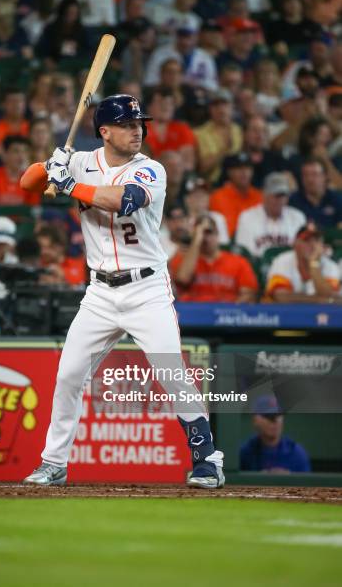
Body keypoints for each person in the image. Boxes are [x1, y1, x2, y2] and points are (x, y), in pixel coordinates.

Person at [23, 93, 225, 488]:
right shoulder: (80, 162)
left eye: (139, 124)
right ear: (105, 131)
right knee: (69, 376)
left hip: (146, 287)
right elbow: (27, 183)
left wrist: (70, 186)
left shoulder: (151, 169)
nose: (137, 131)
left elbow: (123, 201)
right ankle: (54, 462)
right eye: (128, 124)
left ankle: (208, 461)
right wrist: (50, 165)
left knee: (171, 372)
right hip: (99, 292)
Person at [169, 214, 258, 302]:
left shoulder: (238, 262)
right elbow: (183, 279)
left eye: (208, 232)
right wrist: (196, 240)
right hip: (193, 313)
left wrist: (228, 312)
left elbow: (248, 294)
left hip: (226, 313)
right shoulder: (182, 258)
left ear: (217, 234)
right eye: (200, 233)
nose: (204, 237)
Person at [266, 222, 341, 303]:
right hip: (286, 314)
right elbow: (281, 296)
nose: (312, 245)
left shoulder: (330, 266)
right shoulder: (282, 261)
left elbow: (330, 297)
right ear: (295, 243)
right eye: (306, 240)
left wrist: (314, 265)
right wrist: (317, 300)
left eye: (316, 240)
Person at [235, 173, 306, 258]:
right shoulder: (247, 217)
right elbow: (245, 253)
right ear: (264, 195)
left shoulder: (297, 217)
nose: (279, 200)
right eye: (275, 195)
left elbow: (303, 251)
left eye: (283, 195)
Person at [240, 395, 311, 473]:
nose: (275, 421)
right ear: (255, 420)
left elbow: (307, 484)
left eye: (278, 416)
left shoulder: (296, 453)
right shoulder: (245, 452)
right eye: (269, 416)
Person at [195, 88, 242, 186]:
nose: (221, 109)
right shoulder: (200, 133)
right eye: (216, 105)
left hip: (239, 182)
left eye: (224, 104)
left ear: (232, 107)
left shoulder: (238, 130)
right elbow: (202, 168)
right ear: (210, 109)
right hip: (214, 184)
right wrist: (223, 151)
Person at [209, 152, 262, 237]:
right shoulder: (218, 196)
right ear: (229, 172)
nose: (244, 172)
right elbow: (225, 231)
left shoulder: (259, 196)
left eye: (247, 168)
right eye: (239, 168)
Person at [144, 86, 195, 171]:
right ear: (149, 106)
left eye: (169, 103)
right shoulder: (139, 128)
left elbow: (189, 164)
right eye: (160, 102)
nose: (165, 106)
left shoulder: (182, 129)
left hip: (177, 177)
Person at [0, 135, 39, 206]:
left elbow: (33, 210)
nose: (21, 156)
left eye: (25, 151)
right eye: (16, 151)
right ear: (5, 154)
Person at [289, 157, 342, 228]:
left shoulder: (337, 199)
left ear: (325, 176)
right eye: (305, 175)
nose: (309, 179)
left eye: (314, 174)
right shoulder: (293, 200)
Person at [0, 88, 29, 155]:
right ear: (3, 105)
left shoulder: (31, 128)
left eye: (20, 101)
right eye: (12, 101)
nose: (17, 105)